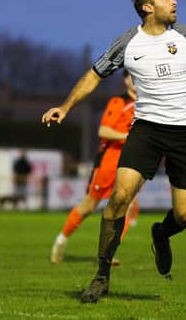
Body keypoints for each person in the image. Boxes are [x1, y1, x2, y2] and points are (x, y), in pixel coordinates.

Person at [41, 0, 186, 303]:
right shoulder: (127, 43)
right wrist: (65, 107)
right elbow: (94, 75)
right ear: (147, 7)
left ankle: (160, 235)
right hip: (147, 130)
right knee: (119, 197)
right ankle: (101, 276)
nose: (174, 1)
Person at [50, 70, 139, 264]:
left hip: (130, 163)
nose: (136, 79)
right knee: (88, 206)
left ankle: (108, 252)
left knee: (127, 206)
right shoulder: (119, 102)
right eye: (132, 76)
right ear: (125, 81)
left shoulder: (147, 104)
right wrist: (128, 137)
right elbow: (104, 130)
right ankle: (61, 240)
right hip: (108, 162)